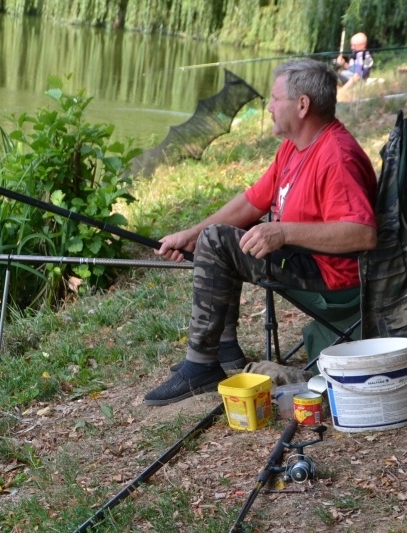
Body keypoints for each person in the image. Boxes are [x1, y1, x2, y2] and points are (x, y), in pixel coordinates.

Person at [144, 59, 378, 406]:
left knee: (219, 241)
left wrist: (281, 232)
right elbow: (251, 204)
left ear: (302, 105)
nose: (268, 107)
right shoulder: (294, 146)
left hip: (335, 280)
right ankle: (222, 351)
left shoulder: (335, 156)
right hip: (309, 261)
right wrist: (190, 235)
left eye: (274, 99)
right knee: (219, 236)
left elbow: (362, 234)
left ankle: (201, 364)